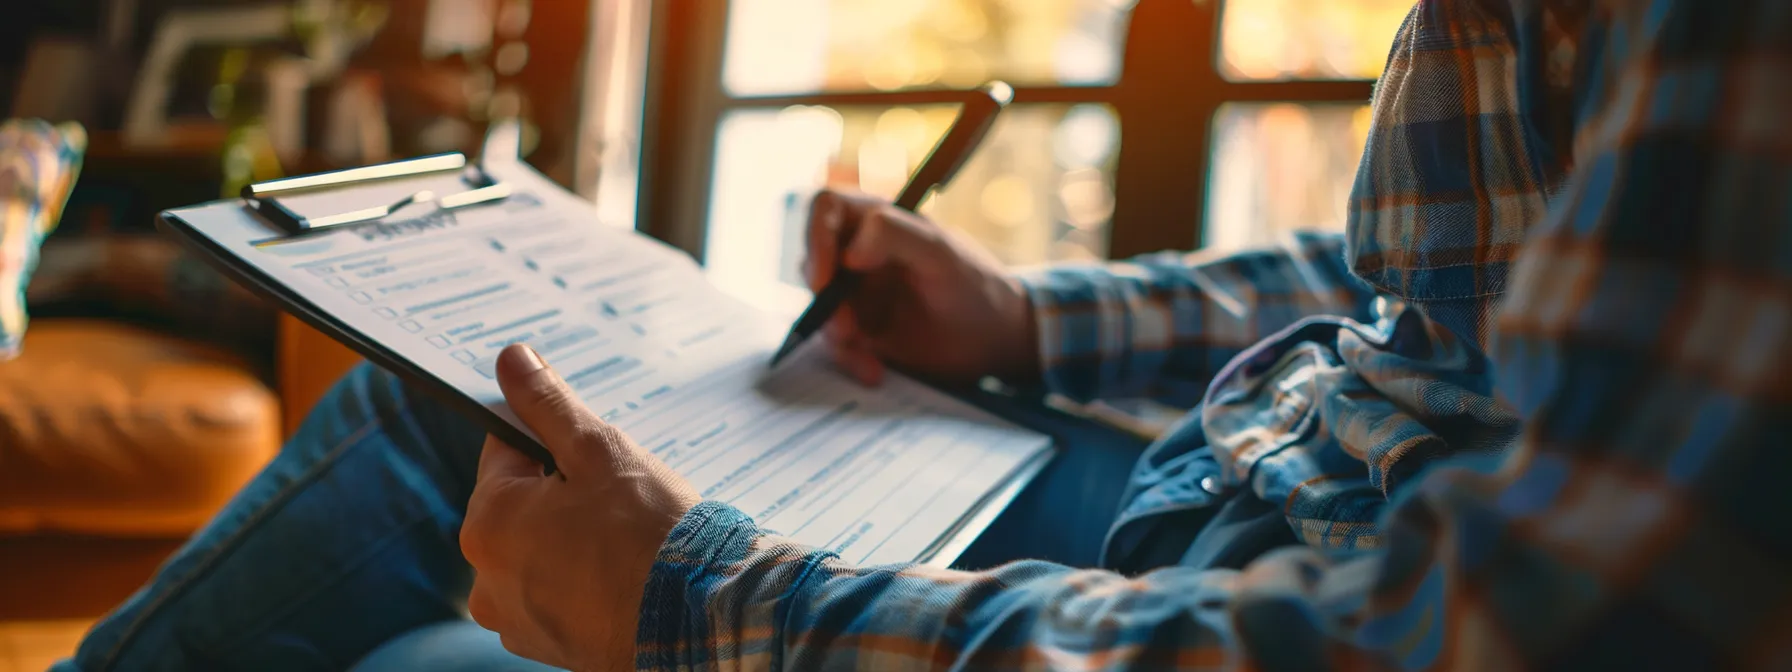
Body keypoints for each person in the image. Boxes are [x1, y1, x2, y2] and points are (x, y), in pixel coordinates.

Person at [56, 0, 1792, 669]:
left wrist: (709, 596)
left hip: (1303, 568)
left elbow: (1527, 637)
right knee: (463, 403)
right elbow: (1417, 293)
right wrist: (1029, 317)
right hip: (1223, 488)